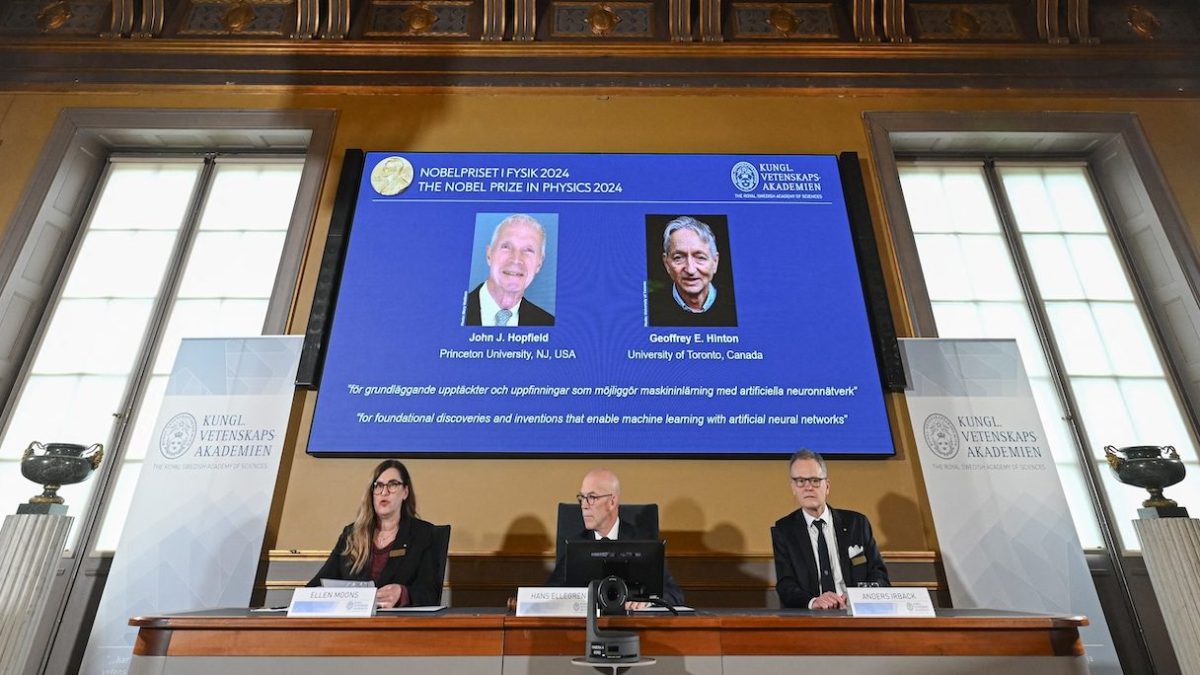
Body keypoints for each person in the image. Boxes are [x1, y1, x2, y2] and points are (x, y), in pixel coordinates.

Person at [308, 459, 444, 607]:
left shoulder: (422, 534)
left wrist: (403, 594)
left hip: (398, 624)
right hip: (353, 623)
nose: (384, 492)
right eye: (378, 486)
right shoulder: (351, 535)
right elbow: (318, 583)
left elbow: (430, 594)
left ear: (405, 492)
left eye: (392, 485)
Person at [546, 468, 685, 607]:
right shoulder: (575, 545)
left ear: (612, 502)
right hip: (586, 626)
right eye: (582, 498)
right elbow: (550, 595)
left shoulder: (642, 542)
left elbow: (674, 594)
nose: (584, 505)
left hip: (633, 625)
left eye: (592, 498)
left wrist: (649, 602)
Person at [771, 449, 889, 609]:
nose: (808, 487)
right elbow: (786, 585)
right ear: (793, 487)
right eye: (800, 481)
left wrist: (858, 597)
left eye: (814, 480)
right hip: (811, 619)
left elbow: (879, 575)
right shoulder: (784, 530)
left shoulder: (857, 523)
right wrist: (814, 602)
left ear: (827, 486)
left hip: (856, 612)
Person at [464, 214, 555, 326]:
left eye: (528, 250)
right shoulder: (452, 311)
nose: (516, 259)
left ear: (539, 264)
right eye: (506, 247)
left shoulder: (547, 323)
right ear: (489, 254)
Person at [647, 216, 737, 327]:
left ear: (715, 262)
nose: (690, 269)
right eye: (678, 258)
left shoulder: (736, 305)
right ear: (667, 264)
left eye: (700, 257)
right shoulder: (649, 309)